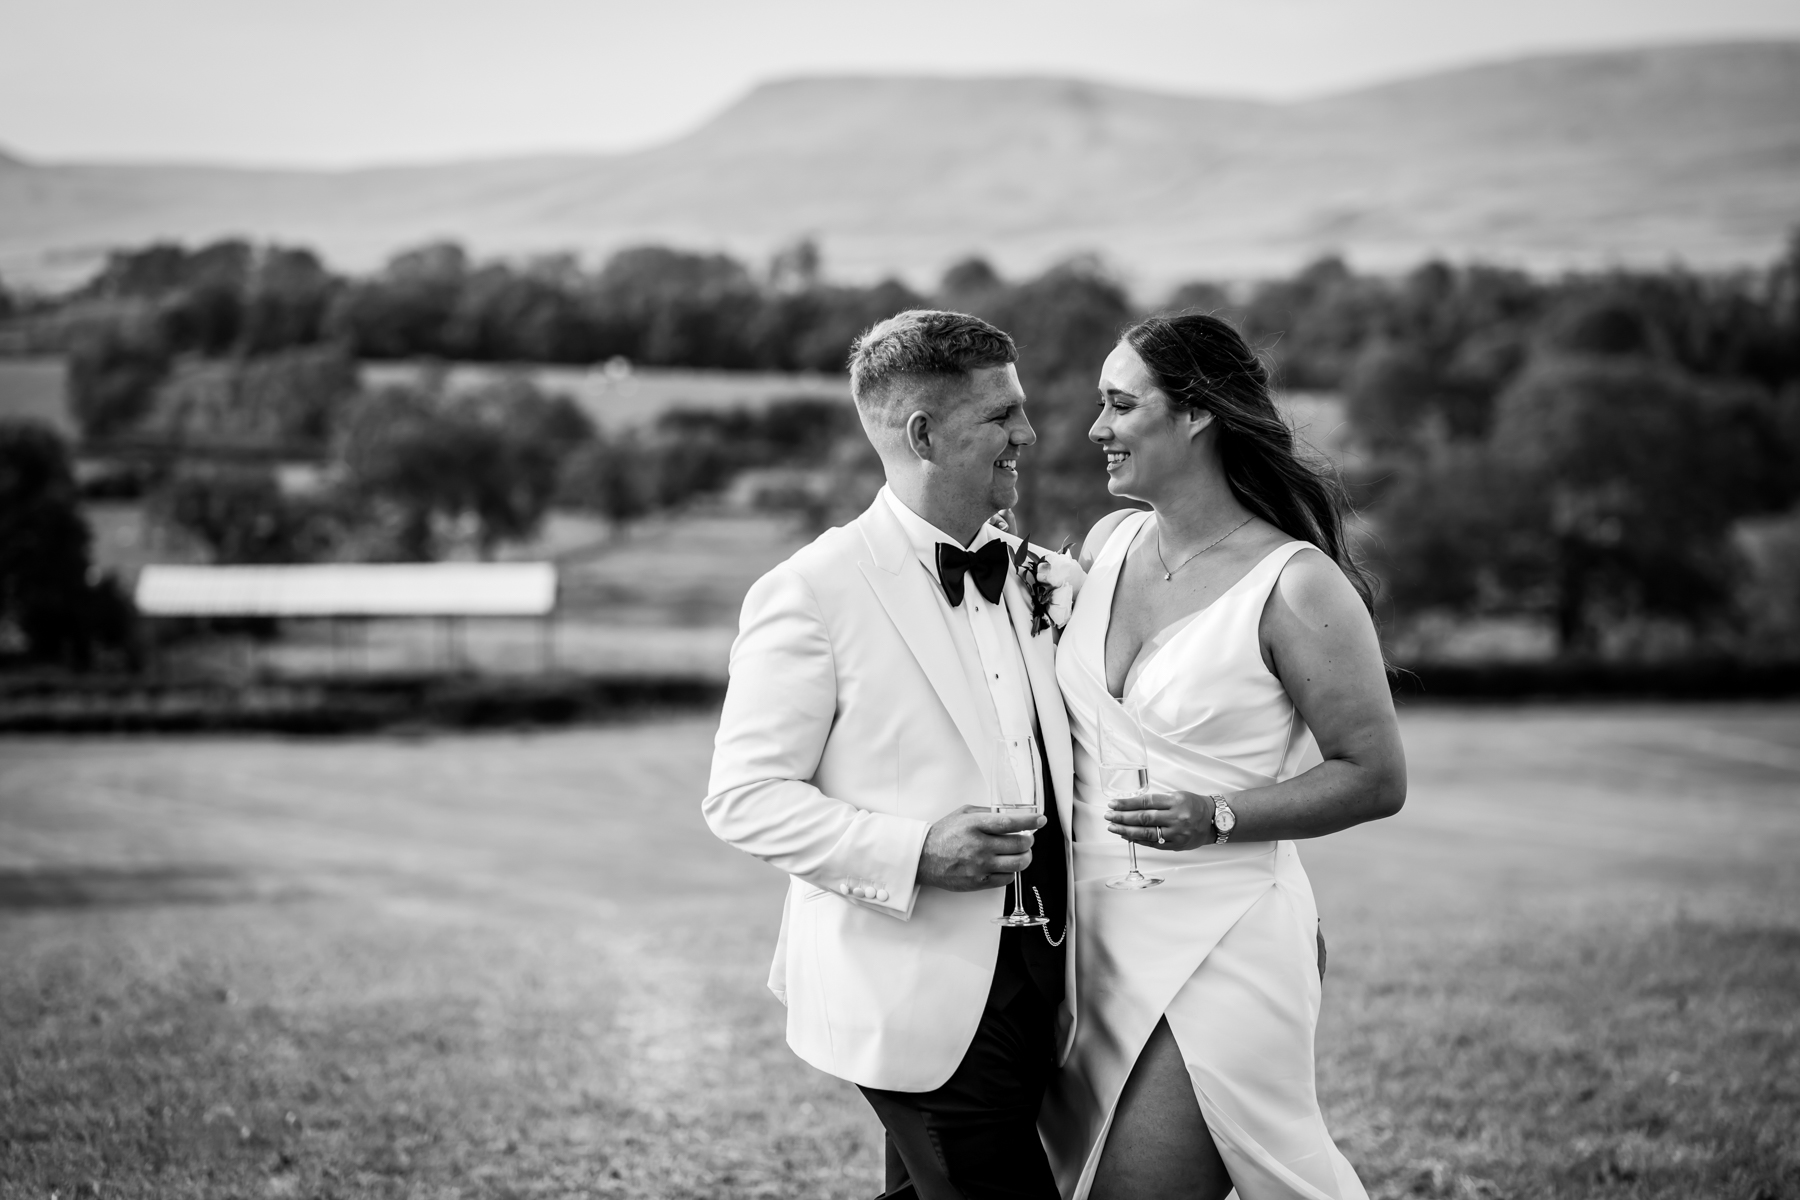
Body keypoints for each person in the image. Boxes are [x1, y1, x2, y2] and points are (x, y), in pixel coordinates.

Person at [704, 309, 1080, 1200]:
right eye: (1001, 416)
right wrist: (916, 852)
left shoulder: (1051, 580)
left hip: (1048, 977)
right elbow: (744, 796)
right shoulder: (810, 592)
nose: (1027, 433)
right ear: (923, 434)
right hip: (908, 978)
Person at [1040, 312, 1406, 1200]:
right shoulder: (1105, 545)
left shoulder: (1296, 584)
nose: (1096, 429)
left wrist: (1218, 817)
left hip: (1224, 937)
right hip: (1092, 939)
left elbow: (1375, 775)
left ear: (1197, 413)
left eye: (1121, 405)